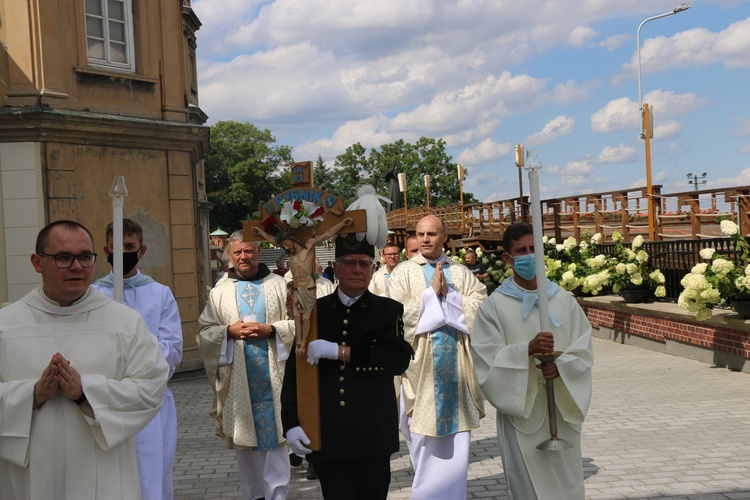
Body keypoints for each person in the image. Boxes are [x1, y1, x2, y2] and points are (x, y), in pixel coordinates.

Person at [0, 220, 168, 499]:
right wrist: (32, 394)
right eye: (64, 258)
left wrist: (85, 393)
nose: (77, 267)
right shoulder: (7, 325)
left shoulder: (125, 323)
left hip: (105, 476)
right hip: (28, 479)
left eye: (85, 257)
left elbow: (150, 387)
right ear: (37, 262)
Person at [281, 233, 414, 499]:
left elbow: (396, 360)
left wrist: (341, 352)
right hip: (329, 432)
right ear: (336, 267)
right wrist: (291, 422)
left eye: (364, 263)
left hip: (372, 431)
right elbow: (294, 372)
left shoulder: (388, 310)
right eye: (350, 262)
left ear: (373, 269)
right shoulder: (314, 311)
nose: (357, 269)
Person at [471, 222, 594, 499]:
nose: (529, 255)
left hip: (560, 402)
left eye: (533, 249)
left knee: (567, 483)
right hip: (522, 405)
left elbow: (583, 348)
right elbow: (485, 356)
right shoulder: (494, 306)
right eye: (521, 251)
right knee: (528, 484)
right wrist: (525, 349)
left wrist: (561, 366)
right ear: (507, 258)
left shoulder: (562, 299)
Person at [387, 215, 487, 500]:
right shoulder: (404, 272)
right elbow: (394, 315)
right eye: (420, 234)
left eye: (431, 234)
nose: (425, 239)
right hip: (421, 369)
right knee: (420, 438)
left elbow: (481, 308)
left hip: (456, 369)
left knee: (457, 443)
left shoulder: (462, 273)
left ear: (445, 237)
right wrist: (432, 297)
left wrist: (451, 297)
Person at [196, 231, 296, 500]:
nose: (243, 257)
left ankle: (278, 496)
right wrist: (228, 330)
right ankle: (254, 496)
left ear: (259, 252)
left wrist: (272, 329)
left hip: (276, 378)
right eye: (238, 252)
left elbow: (301, 325)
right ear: (230, 254)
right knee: (245, 442)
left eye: (248, 251)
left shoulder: (279, 285)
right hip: (239, 382)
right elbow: (205, 331)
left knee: (277, 440)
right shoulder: (220, 290)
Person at [92, 218, 183, 500]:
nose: (122, 253)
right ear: (106, 251)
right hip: (106, 399)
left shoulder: (159, 294)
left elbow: (172, 349)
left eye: (129, 246)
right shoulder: (93, 294)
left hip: (149, 401)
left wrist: (134, 349)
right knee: (109, 478)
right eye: (115, 247)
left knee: (151, 475)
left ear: (141, 251)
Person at [251, 218, 353, 354]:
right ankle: (298, 342)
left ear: (292, 239)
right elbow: (272, 241)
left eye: (287, 244)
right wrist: (260, 233)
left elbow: (326, 235)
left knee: (306, 318)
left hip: (309, 288)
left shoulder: (309, 246)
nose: (286, 248)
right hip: (296, 288)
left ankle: (303, 342)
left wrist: (341, 223)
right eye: (284, 246)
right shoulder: (289, 252)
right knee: (297, 317)